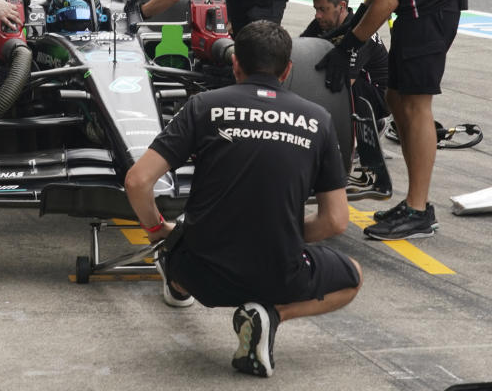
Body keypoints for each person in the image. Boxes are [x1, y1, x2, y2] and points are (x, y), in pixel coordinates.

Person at [125, 21, 361, 378]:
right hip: (280, 273)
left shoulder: (203, 106)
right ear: (288, 71)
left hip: (202, 274)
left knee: (174, 244)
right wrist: (283, 238)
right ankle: (273, 313)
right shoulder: (320, 120)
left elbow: (138, 180)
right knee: (352, 277)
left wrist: (158, 230)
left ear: (236, 65)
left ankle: (176, 284)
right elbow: (335, 221)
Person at [277, 0, 459, 241]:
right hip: (419, 9)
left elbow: (386, 0)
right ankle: (414, 202)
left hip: (427, 11)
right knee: (395, 97)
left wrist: (350, 46)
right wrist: (350, 30)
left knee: (416, 107)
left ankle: (419, 210)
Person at [301, 0, 389, 123]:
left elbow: (345, 84)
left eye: (323, 9)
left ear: (341, 6)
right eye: (316, 9)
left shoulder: (361, 32)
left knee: (333, 84)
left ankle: (363, 126)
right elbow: (301, 50)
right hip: (356, 84)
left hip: (376, 95)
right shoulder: (323, 22)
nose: (318, 15)